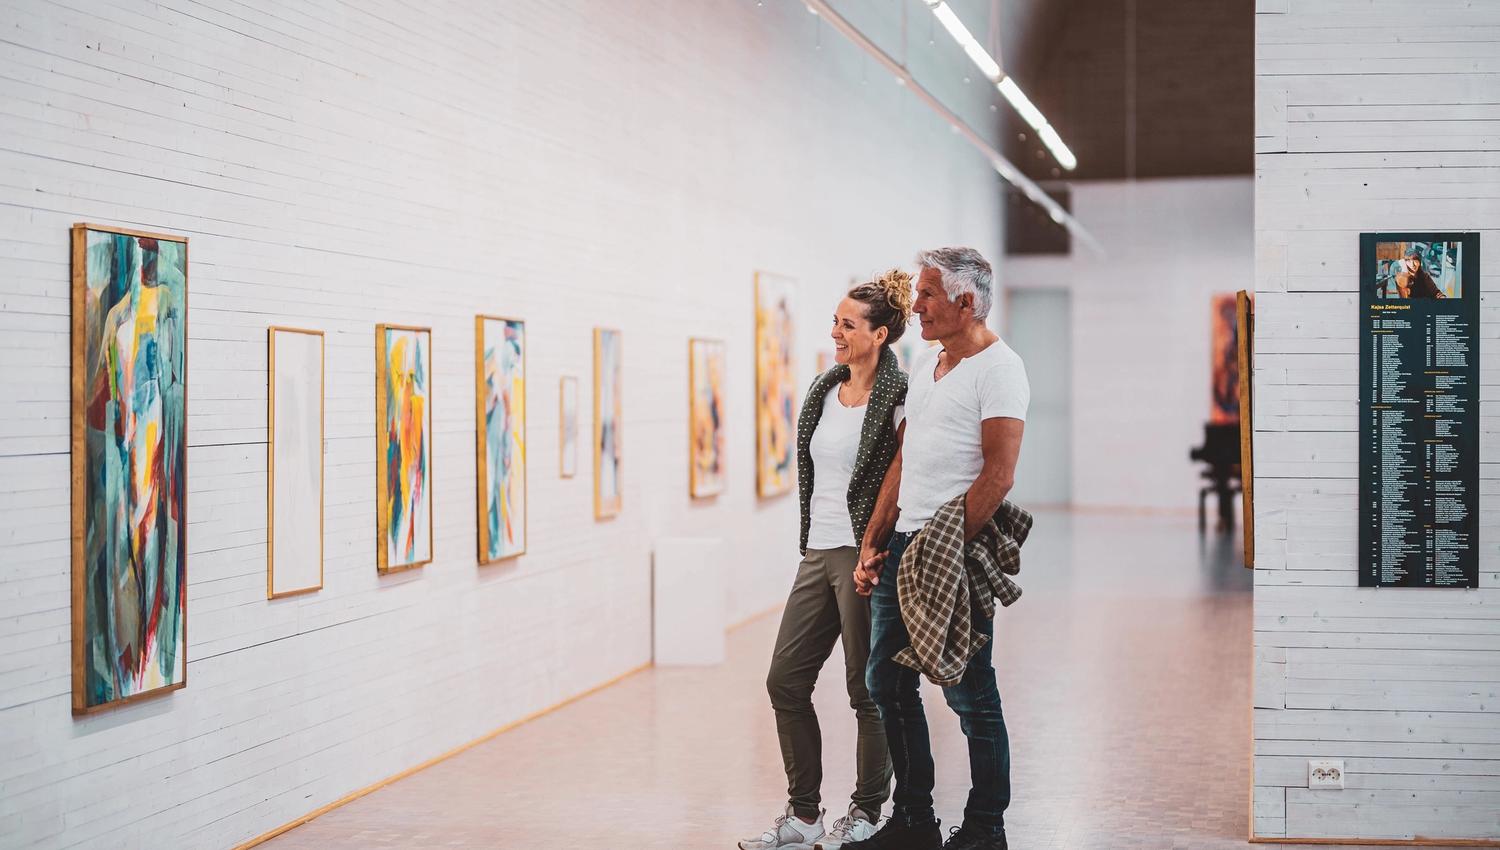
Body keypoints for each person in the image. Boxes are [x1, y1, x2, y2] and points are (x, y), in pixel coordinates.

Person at [845, 247, 1029, 850]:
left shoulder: (1000, 370)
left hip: (953, 550)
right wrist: (875, 537)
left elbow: (998, 476)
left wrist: (942, 546)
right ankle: (914, 821)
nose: (916, 305)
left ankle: (985, 829)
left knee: (969, 693)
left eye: (927, 294)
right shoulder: (928, 364)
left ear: (965, 302)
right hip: (903, 545)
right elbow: (907, 456)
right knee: (886, 682)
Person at [740, 271, 913, 850]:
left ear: (879, 334)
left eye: (848, 324)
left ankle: (866, 813)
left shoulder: (900, 396)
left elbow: (904, 474)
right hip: (818, 551)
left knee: (868, 691)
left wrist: (878, 545)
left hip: (866, 556)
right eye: (835, 322)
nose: (836, 332)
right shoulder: (824, 389)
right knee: (785, 680)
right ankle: (805, 814)